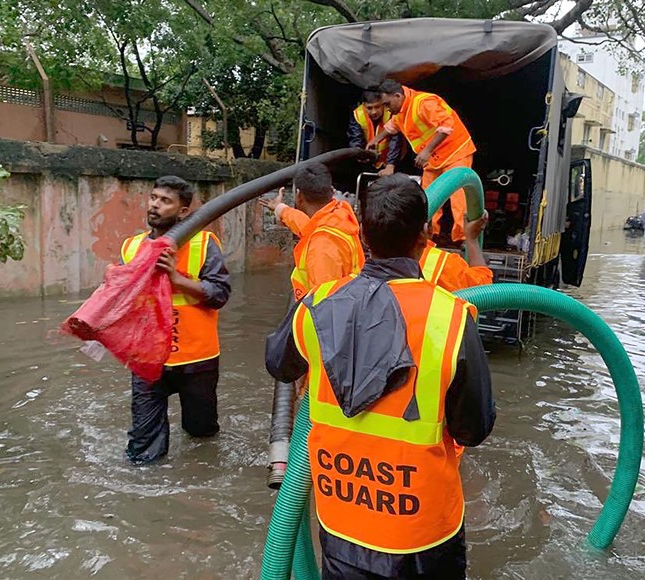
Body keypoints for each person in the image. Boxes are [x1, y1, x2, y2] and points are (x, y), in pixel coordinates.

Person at [265, 174, 495, 580]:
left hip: (342, 524)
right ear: (425, 233)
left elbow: (279, 364)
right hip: (423, 533)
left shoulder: (318, 305)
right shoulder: (453, 318)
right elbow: (473, 428)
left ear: (363, 235)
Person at [120, 176, 231, 464]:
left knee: (201, 434)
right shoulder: (131, 248)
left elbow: (220, 294)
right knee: (143, 449)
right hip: (148, 359)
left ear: (183, 211)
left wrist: (176, 280)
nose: (155, 205)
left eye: (165, 201)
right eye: (153, 198)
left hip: (197, 359)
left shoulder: (204, 244)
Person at [368, 80, 477, 245]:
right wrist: (375, 140)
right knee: (428, 197)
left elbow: (446, 126)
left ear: (398, 96)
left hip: (455, 151)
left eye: (387, 104)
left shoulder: (425, 103)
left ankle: (464, 240)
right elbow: (392, 127)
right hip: (434, 159)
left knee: (459, 198)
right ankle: (429, 237)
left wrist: (426, 151)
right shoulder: (401, 110)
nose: (387, 109)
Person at [258, 162, 365, 301]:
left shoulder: (322, 246)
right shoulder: (337, 217)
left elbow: (324, 305)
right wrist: (280, 208)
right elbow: (304, 225)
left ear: (299, 197)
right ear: (331, 191)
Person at [348, 91, 405, 176]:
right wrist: (359, 154)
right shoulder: (357, 114)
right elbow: (355, 137)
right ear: (363, 106)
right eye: (369, 108)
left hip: (395, 160)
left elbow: (396, 140)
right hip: (370, 161)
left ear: (383, 104)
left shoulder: (391, 111)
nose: (374, 112)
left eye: (377, 107)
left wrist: (391, 165)